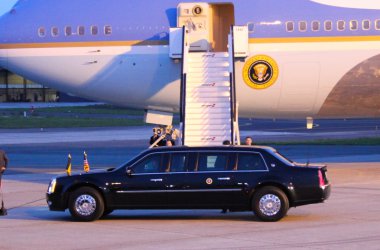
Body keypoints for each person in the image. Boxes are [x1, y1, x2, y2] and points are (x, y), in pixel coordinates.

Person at [0, 149, 8, 216]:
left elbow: (6, 160)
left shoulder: (2, 152)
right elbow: (6, 160)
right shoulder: (2, 151)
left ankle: (2, 207)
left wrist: (4, 167)